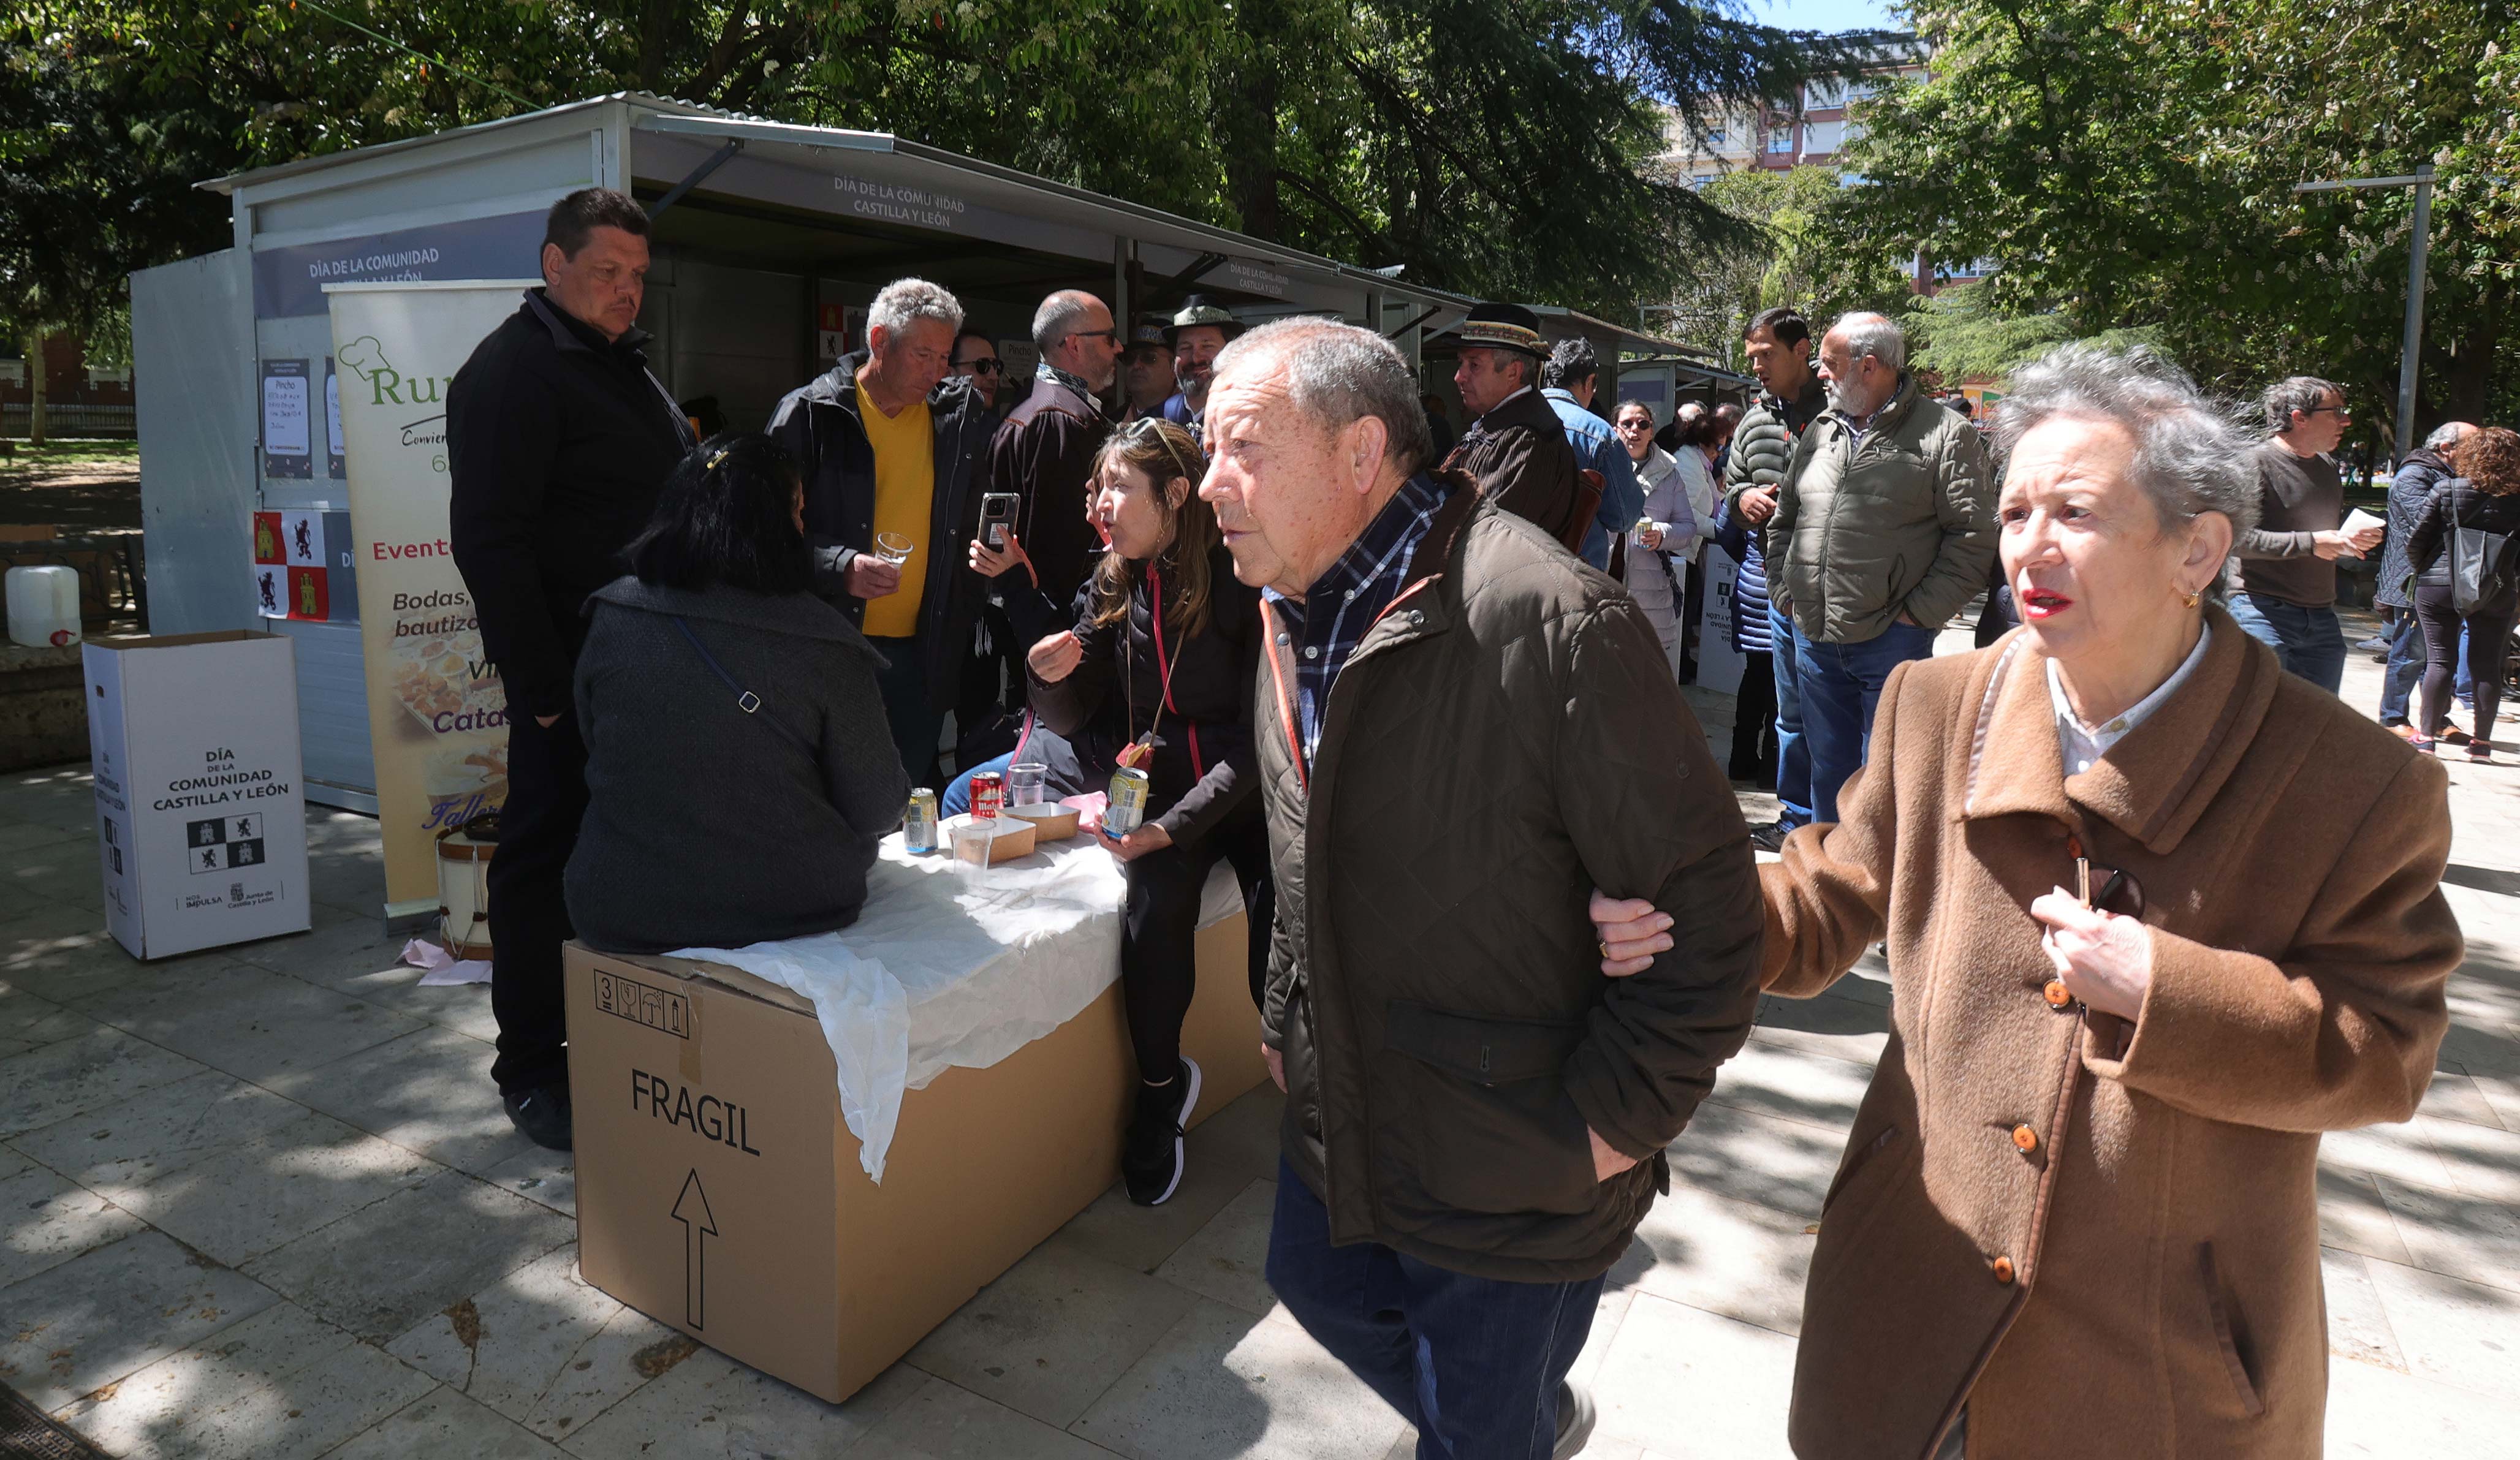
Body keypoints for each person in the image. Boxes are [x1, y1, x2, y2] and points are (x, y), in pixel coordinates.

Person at [1595, 343, 2461, 1460]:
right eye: (2012, 512)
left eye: (2075, 511)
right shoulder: (1933, 702)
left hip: (2153, 1365)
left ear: (2197, 546)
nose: (2028, 546)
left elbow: (2386, 1051)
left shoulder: (2358, 784)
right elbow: (1831, 891)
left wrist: (2166, 989)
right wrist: (1683, 912)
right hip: (1911, 1286)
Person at [1205, 317, 1763, 1460]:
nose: (1213, 481)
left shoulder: (1548, 617)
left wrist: (1612, 1123)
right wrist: (1280, 1012)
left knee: (1477, 1431)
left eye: (1244, 447)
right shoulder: (1283, 611)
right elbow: (1301, 847)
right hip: (1345, 1108)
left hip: (1518, 1153)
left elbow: (1709, 908)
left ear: (1362, 453)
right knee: (1315, 1288)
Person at [448, 187, 695, 1151]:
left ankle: (610, 1036)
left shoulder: (615, 364)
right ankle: (532, 1064)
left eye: (638, 276)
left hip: (645, 672)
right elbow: (490, 544)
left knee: (622, 862)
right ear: (555, 267)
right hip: (572, 681)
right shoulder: (514, 371)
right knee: (539, 870)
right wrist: (545, 693)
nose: (629, 290)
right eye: (608, 272)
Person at [1014, 418, 1274, 1205]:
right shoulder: (1109, 581)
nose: (1097, 503)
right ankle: (1160, 1092)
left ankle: (1320, 1091)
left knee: (1283, 933)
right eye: (1095, 487)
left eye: (1116, 486)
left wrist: (1170, 826)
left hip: (1250, 798)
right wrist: (1044, 676)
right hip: (1159, 795)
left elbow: (1256, 739)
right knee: (1151, 919)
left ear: (1172, 493)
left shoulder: (1240, 577)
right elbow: (1072, 714)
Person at [566, 435, 907, 953]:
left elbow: (596, 741)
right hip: (790, 905)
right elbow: (879, 807)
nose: (802, 528)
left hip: (619, 906)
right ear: (773, 524)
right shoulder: (825, 641)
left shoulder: (615, 613)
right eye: (797, 511)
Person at [766, 278, 994, 786]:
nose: (936, 371)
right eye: (923, 355)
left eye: (943, 357)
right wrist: (839, 566)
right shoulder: (809, 414)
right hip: (830, 647)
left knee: (903, 795)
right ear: (878, 342)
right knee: (827, 797)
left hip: (924, 653)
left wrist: (968, 600)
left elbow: (970, 526)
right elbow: (758, 538)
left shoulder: (957, 419)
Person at [1769, 311, 1995, 825]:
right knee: (1828, 776)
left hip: (1892, 643)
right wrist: (1787, 593)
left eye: (1829, 364)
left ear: (1869, 367)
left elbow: (1974, 540)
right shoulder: (1821, 431)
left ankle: (1879, 897)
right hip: (1815, 641)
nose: (1820, 374)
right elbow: (1785, 521)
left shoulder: (1946, 435)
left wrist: (1917, 617)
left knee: (1885, 784)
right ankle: (1832, 887)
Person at [1723, 308, 1826, 850]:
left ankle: (1839, 824)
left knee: (1830, 715)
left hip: (1835, 594)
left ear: (1802, 349)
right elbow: (1732, 489)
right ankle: (1796, 818)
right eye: (1753, 358)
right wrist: (1743, 499)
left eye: (1767, 354)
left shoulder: (1842, 413)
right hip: (1777, 593)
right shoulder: (1753, 420)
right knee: (1790, 717)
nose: (1758, 366)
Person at [979, 290, 1123, 648]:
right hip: (1061, 636)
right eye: (1108, 338)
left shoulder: (1039, 410)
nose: (1119, 347)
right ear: (1074, 345)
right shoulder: (1060, 421)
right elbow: (1062, 551)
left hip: (1037, 624)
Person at [2229, 376, 2383, 691]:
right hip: (2261, 611)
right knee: (2259, 719)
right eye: (2336, 411)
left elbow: (2321, 535)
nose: (2346, 420)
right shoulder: (2252, 463)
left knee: (2314, 728)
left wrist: (2348, 540)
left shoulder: (2327, 467)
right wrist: (2311, 544)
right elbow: (2235, 538)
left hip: (2322, 615)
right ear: (2300, 418)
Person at [2405, 423, 2520, 760]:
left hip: (2440, 585)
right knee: (2486, 664)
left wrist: (2426, 570)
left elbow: (2416, 542)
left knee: (2440, 661)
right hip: (2496, 589)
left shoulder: (2448, 490)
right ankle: (2481, 745)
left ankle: (2426, 736)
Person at [1439, 302, 1587, 552]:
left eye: (1474, 365)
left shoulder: (1529, 442)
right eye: (1461, 363)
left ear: (1513, 371)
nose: (1459, 376)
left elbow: (1484, 543)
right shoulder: (1501, 429)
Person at [2378, 421, 2474, 737]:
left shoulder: (2450, 477)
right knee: (2410, 653)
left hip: (2441, 579)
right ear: (2446, 448)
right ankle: (2393, 719)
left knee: (2439, 654)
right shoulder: (2415, 475)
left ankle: (2437, 719)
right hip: (2413, 580)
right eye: (2471, 446)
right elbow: (2426, 524)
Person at [1539, 338, 1645, 572]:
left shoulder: (1510, 417)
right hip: (1572, 573)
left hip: (1509, 569)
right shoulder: (1598, 434)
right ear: (1588, 383)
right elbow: (1623, 517)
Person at [1612, 399, 1698, 676]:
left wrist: (1661, 535)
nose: (1634, 430)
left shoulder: (1670, 473)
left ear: (1652, 431)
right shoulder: (1600, 466)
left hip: (1650, 591)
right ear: (1615, 430)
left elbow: (1688, 527)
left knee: (1645, 679)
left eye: (1643, 424)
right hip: (1604, 582)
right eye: (1627, 424)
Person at [1709, 489, 1777, 786]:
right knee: (1782, 687)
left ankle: (1741, 761)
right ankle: (1772, 769)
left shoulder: (1749, 485)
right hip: (1783, 589)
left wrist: (1749, 561)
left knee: (1754, 676)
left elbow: (1725, 531)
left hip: (1751, 587)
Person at [1162, 293, 1242, 438]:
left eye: (1207, 346)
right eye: (1185, 348)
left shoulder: (1247, 416)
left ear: (1231, 352)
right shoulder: (1161, 418)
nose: (1196, 358)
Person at [1120, 318, 1174, 422]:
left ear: (1174, 368)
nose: (1136, 365)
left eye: (1149, 358)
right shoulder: (1112, 424)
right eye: (1130, 358)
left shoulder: (1190, 419)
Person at [948, 329, 1005, 416]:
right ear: (948, 374)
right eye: (982, 366)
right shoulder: (928, 423)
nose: (994, 377)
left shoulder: (999, 428)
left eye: (996, 366)